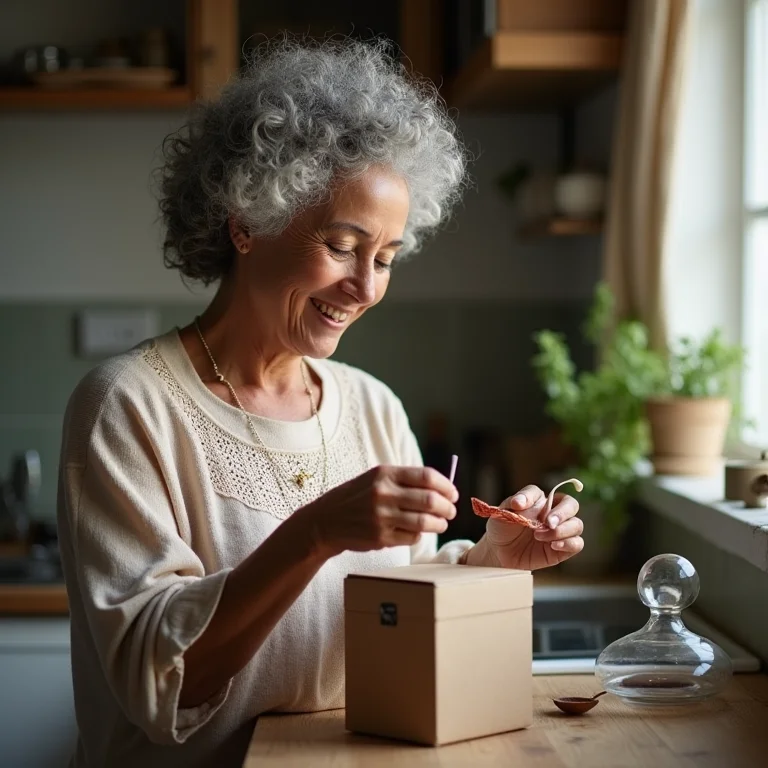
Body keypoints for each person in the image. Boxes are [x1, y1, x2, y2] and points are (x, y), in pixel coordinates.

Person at [57, 39, 584, 768]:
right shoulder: (127, 406)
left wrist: (495, 559)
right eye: (341, 246)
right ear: (246, 222)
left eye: (386, 259)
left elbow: (396, 621)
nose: (365, 288)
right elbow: (162, 685)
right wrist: (314, 533)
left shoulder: (373, 408)